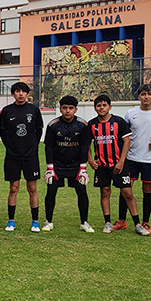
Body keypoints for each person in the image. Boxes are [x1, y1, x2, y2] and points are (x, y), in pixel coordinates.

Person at [88, 95, 150, 235]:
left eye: (104, 105)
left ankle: (137, 224)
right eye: (98, 106)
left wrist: (121, 162)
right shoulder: (92, 124)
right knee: (105, 191)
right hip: (102, 165)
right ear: (95, 108)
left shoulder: (119, 122)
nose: (101, 108)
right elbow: (87, 144)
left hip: (118, 164)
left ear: (110, 107)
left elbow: (127, 141)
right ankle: (108, 222)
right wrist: (90, 160)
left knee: (127, 192)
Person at [115, 84, 151, 233]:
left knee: (148, 189)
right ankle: (122, 220)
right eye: (143, 94)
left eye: (150, 94)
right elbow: (124, 136)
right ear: (138, 96)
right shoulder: (130, 113)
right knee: (126, 189)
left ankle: (145, 222)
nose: (146, 97)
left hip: (150, 159)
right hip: (131, 158)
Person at [42, 96, 92, 232]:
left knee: (82, 192)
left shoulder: (83, 125)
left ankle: (84, 222)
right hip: (57, 166)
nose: (67, 111)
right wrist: (49, 168)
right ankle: (48, 221)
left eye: (70, 108)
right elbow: (49, 147)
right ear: (60, 109)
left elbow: (84, 146)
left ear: (75, 109)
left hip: (76, 166)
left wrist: (83, 168)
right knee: (51, 192)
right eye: (64, 108)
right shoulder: (53, 125)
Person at [0, 82, 43, 233]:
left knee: (32, 188)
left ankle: (35, 221)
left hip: (30, 156)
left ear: (27, 94)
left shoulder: (34, 110)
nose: (20, 94)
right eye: (17, 91)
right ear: (13, 94)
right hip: (13, 156)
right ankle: (11, 221)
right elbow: (3, 133)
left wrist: (31, 147)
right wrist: (12, 148)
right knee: (13, 188)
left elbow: (38, 131)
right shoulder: (6, 111)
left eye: (23, 91)